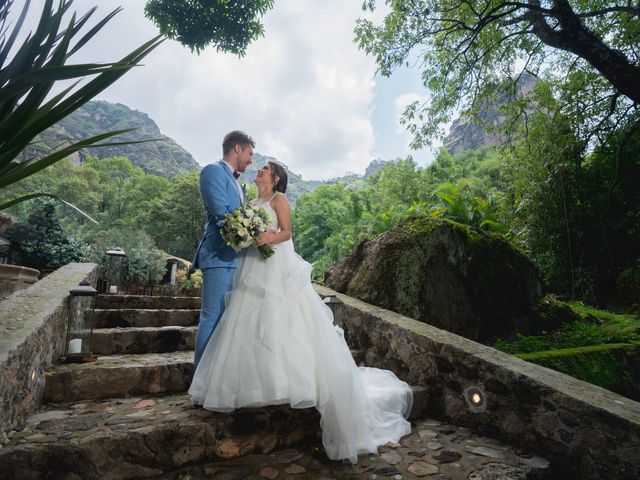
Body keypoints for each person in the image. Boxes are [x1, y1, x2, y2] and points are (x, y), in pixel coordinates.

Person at [189, 161, 413, 463]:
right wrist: (247, 237)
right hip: (252, 266)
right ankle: (257, 384)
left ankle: (292, 382)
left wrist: (267, 237)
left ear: (276, 177)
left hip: (275, 267)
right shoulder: (251, 203)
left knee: (282, 320)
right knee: (247, 320)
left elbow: (286, 232)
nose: (259, 170)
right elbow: (246, 233)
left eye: (265, 168)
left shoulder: (279, 199)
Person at [191, 130, 254, 369]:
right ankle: (200, 381)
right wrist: (252, 232)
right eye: (249, 153)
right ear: (237, 148)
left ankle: (217, 380)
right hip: (218, 257)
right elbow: (222, 213)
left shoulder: (237, 182)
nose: (250, 159)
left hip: (237, 260)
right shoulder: (213, 172)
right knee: (212, 317)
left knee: (227, 322)